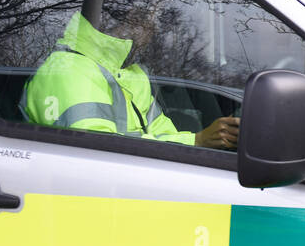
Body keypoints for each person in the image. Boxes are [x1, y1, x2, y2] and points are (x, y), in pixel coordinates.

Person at [22, 10, 240, 149]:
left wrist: (208, 139)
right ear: (110, 19)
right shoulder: (70, 71)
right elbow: (96, 151)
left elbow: (165, 135)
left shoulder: (132, 72)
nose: (153, 29)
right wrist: (197, 140)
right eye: (144, 19)